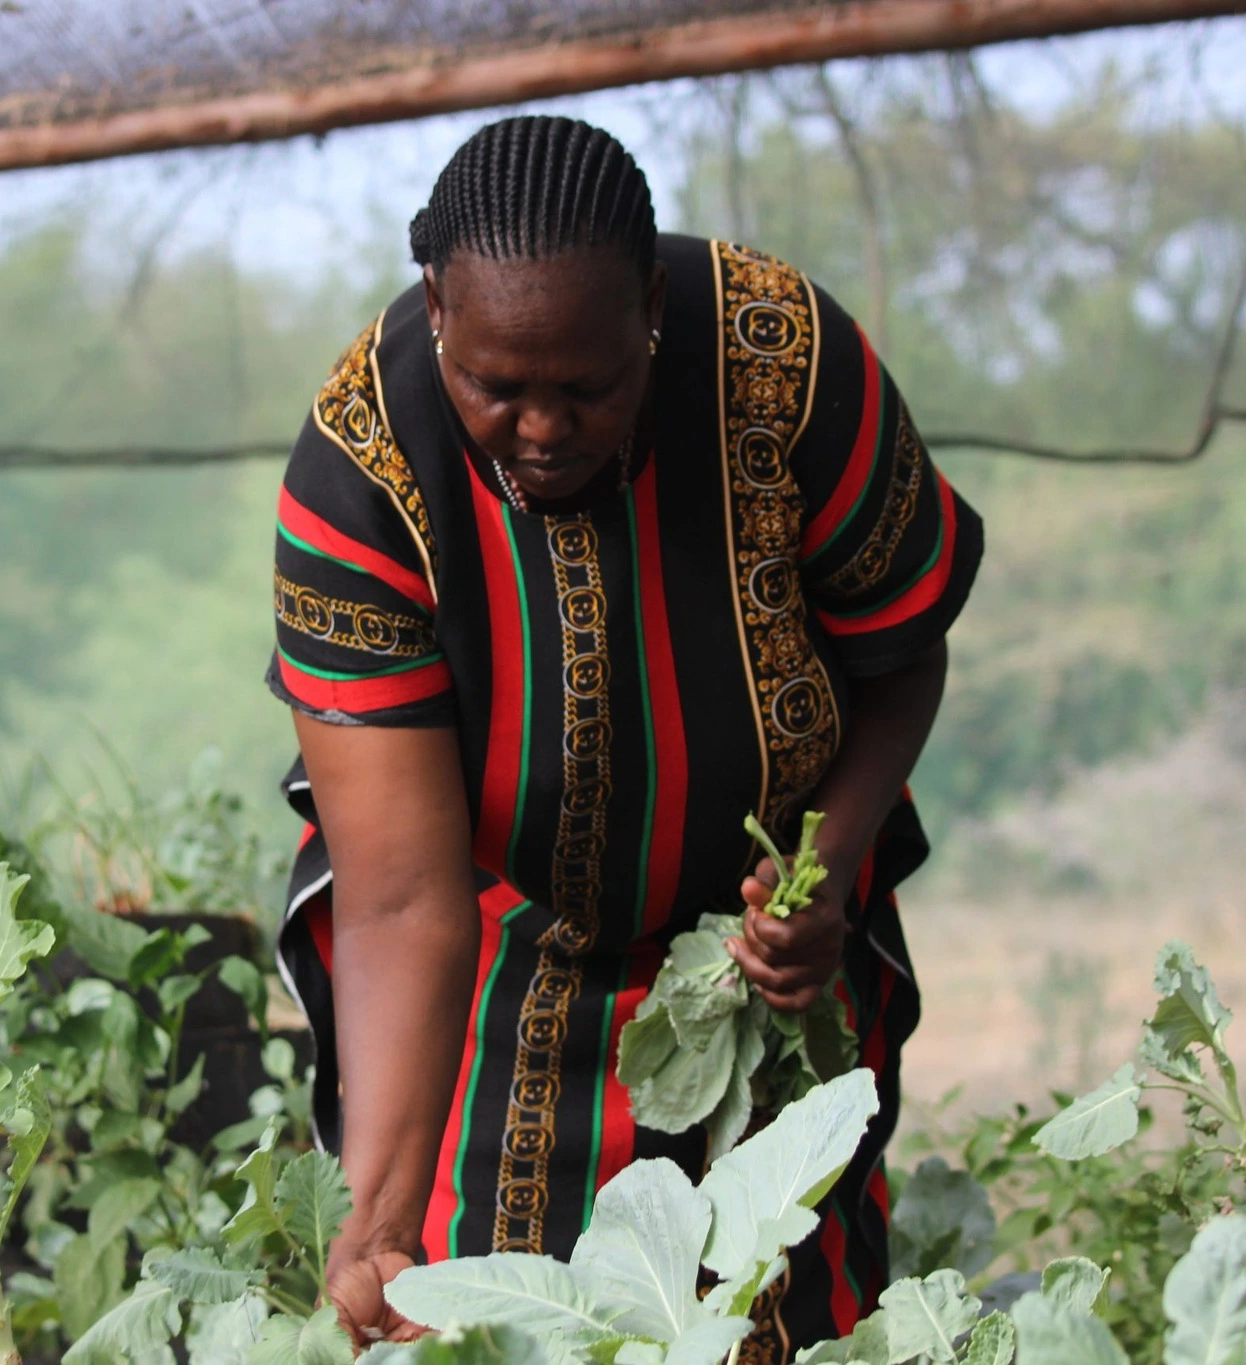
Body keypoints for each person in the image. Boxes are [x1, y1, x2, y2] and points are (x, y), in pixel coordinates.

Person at [266, 114, 981, 1360]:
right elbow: (396, 902)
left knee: (776, 1308)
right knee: (487, 1302)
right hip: (488, 954)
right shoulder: (359, 468)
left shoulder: (787, 363)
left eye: (587, 386)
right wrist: (376, 1223)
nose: (541, 428)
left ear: (650, 307)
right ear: (436, 305)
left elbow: (898, 651)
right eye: (497, 387)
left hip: (760, 957)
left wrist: (824, 861)